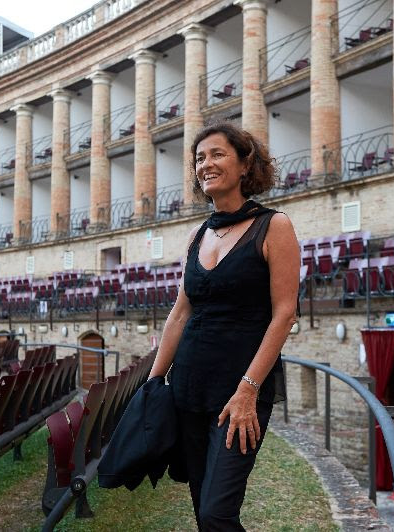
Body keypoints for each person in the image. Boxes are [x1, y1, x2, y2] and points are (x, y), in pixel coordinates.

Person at [147, 121, 300, 530]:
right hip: (189, 387)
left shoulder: (274, 226)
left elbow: (285, 313)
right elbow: (180, 314)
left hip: (239, 391)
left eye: (217, 154)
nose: (206, 164)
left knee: (218, 512)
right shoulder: (198, 235)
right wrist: (153, 383)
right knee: (202, 508)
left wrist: (248, 390)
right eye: (200, 158)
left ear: (245, 164)